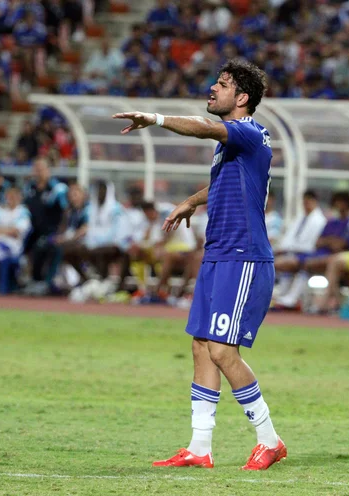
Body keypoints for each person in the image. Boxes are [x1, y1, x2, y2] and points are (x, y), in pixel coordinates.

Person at [113, 59, 285, 470]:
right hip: (218, 255)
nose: (213, 88)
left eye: (222, 84)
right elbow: (226, 182)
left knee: (224, 351)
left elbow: (205, 126)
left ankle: (269, 439)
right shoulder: (233, 147)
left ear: (241, 98)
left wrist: (155, 118)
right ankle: (200, 447)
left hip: (243, 258)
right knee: (202, 347)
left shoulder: (247, 132)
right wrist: (191, 201)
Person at [274, 191, 349, 310]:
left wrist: (329, 241)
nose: (339, 205)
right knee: (285, 264)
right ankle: (286, 298)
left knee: (305, 264)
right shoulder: (331, 222)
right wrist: (331, 241)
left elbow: (340, 245)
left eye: (342, 202)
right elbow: (318, 242)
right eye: (337, 202)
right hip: (318, 254)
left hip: (335, 256)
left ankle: (301, 301)